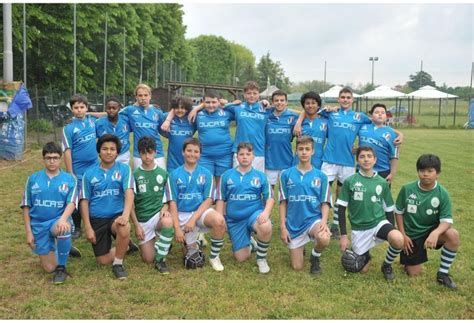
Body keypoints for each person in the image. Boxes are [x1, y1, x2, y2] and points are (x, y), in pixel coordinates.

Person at [337, 146, 404, 281]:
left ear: (375, 160)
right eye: (362, 157)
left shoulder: (382, 182)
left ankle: (386, 265)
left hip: (378, 223)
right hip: (359, 228)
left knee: (398, 239)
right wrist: (343, 236)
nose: (366, 159)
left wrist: (391, 231)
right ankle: (365, 254)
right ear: (357, 161)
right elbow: (341, 209)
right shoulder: (350, 181)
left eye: (369, 156)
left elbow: (389, 208)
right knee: (362, 270)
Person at [395, 154, 459, 289]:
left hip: (431, 231)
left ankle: (443, 274)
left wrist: (436, 233)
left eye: (430, 171)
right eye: (422, 171)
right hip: (412, 234)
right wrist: (403, 235)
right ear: (418, 171)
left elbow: (447, 221)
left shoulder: (442, 193)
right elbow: (399, 212)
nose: (425, 174)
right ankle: (409, 262)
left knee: (453, 234)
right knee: (414, 273)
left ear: (438, 173)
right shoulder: (407, 189)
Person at [21, 142, 80, 284]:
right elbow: (26, 206)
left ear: (60, 158)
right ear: (43, 159)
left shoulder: (69, 179)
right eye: (48, 158)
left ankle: (62, 268)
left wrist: (63, 219)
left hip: (58, 220)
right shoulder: (33, 179)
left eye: (55, 157)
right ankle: (64, 246)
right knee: (48, 268)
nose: (52, 161)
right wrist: (29, 232)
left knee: (63, 228)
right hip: (38, 225)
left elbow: (72, 203)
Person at [166, 138, 227, 271]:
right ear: (183, 152)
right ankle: (189, 243)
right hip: (181, 214)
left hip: (200, 213)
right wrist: (177, 228)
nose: (192, 154)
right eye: (189, 151)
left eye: (196, 151)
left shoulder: (206, 174)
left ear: (200, 154)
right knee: (189, 252)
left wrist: (193, 219)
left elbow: (209, 200)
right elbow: (172, 203)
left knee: (219, 220)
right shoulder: (174, 175)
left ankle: (214, 257)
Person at [80, 134, 134, 279]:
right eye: (105, 149)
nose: (109, 152)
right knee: (102, 261)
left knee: (124, 227)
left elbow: (129, 193)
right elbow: (84, 201)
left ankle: (118, 263)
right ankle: (125, 246)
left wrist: (125, 216)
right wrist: (88, 227)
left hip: (116, 215)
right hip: (97, 218)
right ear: (99, 151)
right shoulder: (89, 173)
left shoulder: (124, 169)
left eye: (112, 149)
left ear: (117, 152)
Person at [217, 142, 274, 274]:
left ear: (253, 156)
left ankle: (261, 259)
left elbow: (270, 198)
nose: (244, 157)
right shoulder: (227, 175)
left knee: (265, 226)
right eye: (241, 154)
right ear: (237, 156)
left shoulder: (260, 176)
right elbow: (221, 198)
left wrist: (265, 212)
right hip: (235, 220)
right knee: (241, 258)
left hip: (254, 215)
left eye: (248, 154)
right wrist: (220, 217)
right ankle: (250, 243)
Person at [279, 136, 331, 275]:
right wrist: (283, 228)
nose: (304, 152)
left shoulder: (321, 176)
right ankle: (301, 245)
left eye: (307, 149)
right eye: (301, 149)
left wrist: (324, 222)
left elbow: (325, 202)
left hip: (313, 220)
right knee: (297, 266)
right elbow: (283, 202)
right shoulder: (286, 174)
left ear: (313, 152)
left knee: (324, 237)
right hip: (293, 224)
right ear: (296, 151)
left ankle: (315, 257)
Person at [129, 136, 174, 274]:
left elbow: (168, 199)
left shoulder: (163, 173)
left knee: (167, 221)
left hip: (157, 216)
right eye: (143, 153)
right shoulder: (134, 175)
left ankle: (161, 260)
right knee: (148, 259)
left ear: (155, 152)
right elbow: (130, 204)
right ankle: (162, 244)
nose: (147, 156)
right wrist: (136, 226)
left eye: (150, 152)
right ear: (139, 154)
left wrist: (165, 209)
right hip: (143, 220)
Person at [62, 94, 99, 239]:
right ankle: (77, 227)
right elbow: (67, 151)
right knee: (77, 199)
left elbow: (107, 114)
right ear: (71, 109)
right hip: (77, 169)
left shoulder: (92, 121)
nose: (79, 110)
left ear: (86, 108)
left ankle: (94, 223)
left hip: (94, 166)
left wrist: (89, 113)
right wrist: (70, 172)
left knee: (94, 196)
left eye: (82, 107)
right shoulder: (69, 128)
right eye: (76, 108)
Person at [119, 83, 166, 170]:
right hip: (139, 153)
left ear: (150, 96)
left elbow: (163, 128)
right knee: (141, 182)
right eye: (140, 95)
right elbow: (112, 113)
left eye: (145, 95)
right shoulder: (130, 110)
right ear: (136, 97)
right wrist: (88, 113)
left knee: (161, 180)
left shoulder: (157, 112)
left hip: (157, 152)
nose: (143, 98)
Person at [265, 90, 299, 188]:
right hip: (270, 161)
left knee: (286, 191)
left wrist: (299, 122)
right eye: (276, 100)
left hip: (286, 160)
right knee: (269, 192)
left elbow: (308, 112)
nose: (279, 102)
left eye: (282, 100)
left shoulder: (293, 116)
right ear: (272, 102)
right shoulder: (267, 115)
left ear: (286, 102)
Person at [357, 103, 399, 184]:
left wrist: (392, 174)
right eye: (376, 112)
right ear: (371, 115)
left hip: (382, 171)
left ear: (386, 116)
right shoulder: (362, 127)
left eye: (383, 113)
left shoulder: (391, 133)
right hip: (361, 169)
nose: (380, 114)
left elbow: (394, 156)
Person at [292, 91, 328, 170]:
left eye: (313, 103)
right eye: (307, 103)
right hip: (298, 162)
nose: (310, 106)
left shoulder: (326, 121)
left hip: (318, 163)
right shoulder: (296, 122)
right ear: (303, 106)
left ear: (318, 105)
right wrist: (299, 122)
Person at [160, 96, 196, 173]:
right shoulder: (166, 117)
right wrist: (168, 120)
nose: (179, 110)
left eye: (183, 108)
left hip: (188, 160)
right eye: (176, 108)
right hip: (172, 162)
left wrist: (195, 109)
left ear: (187, 109)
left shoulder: (192, 118)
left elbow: (204, 108)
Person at [95, 97, 131, 165]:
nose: (111, 110)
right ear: (106, 108)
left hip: (124, 155)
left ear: (119, 108)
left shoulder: (126, 120)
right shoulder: (98, 123)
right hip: (107, 156)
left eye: (114, 108)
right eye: (109, 108)